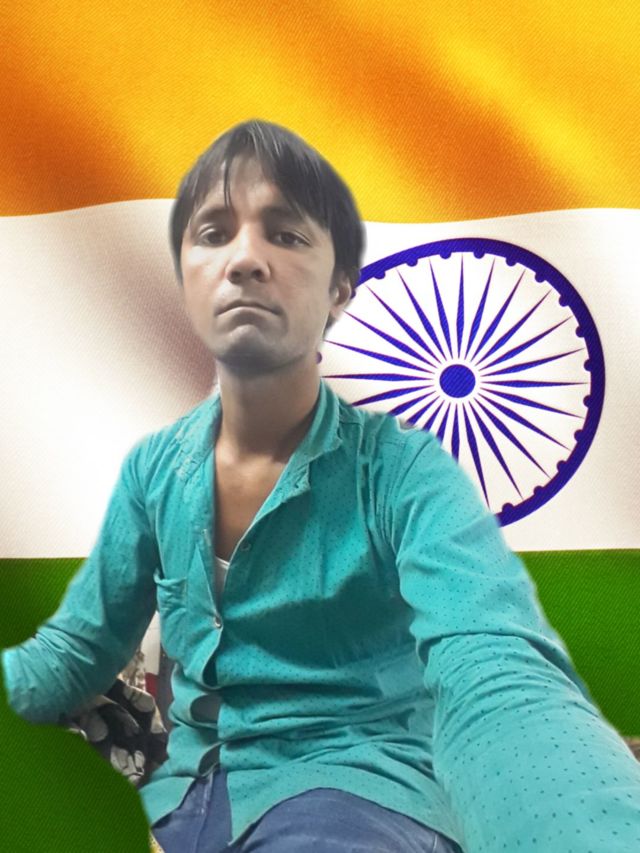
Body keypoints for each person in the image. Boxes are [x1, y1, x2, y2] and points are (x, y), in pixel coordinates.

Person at [2, 120, 640, 853]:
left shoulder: (401, 472)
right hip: (194, 792)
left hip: (352, 786)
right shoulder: (158, 468)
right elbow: (76, 645)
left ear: (337, 289)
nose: (247, 262)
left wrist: (574, 814)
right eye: (215, 235)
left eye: (286, 237)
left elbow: (492, 659)